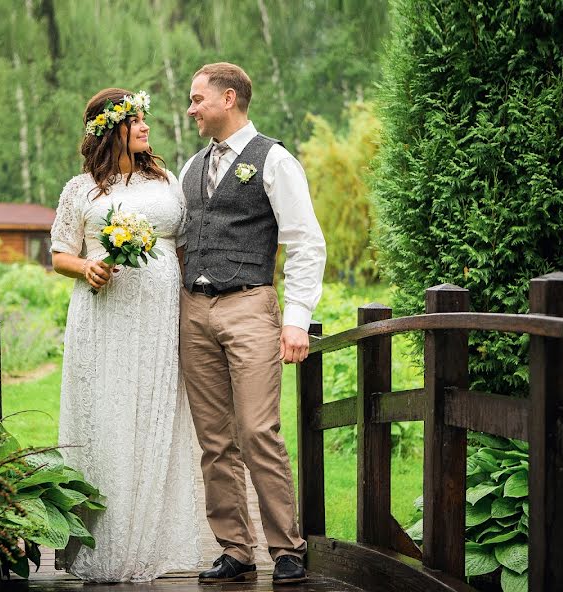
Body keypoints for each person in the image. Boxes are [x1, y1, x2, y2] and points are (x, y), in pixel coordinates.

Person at [177, 62, 326, 585]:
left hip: (249, 304)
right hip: (192, 311)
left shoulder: (274, 159)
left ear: (230, 98)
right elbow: (180, 240)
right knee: (214, 439)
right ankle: (235, 549)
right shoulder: (192, 167)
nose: (191, 108)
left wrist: (297, 319)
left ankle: (286, 549)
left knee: (259, 429)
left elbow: (305, 241)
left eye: (198, 99)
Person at [50, 88, 200, 583]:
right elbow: (59, 255)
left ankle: (156, 539)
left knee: (157, 411)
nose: (145, 128)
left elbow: (181, 246)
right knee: (109, 415)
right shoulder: (82, 190)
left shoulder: (167, 181)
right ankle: (107, 539)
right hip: (104, 317)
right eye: (134, 121)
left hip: (162, 317)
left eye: (144, 120)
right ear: (109, 128)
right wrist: (87, 266)